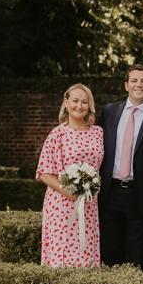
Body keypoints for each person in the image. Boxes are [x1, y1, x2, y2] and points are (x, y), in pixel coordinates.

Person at [97, 64, 143, 272]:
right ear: (126, 85)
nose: (139, 84)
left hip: (140, 198)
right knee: (108, 254)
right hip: (109, 194)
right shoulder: (109, 112)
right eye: (134, 81)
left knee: (138, 258)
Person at [36, 83, 104, 268]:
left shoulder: (98, 133)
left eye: (84, 102)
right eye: (75, 101)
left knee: (86, 248)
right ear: (66, 102)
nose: (79, 106)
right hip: (61, 205)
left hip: (89, 203)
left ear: (89, 106)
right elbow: (44, 172)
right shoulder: (57, 134)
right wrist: (69, 192)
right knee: (63, 250)